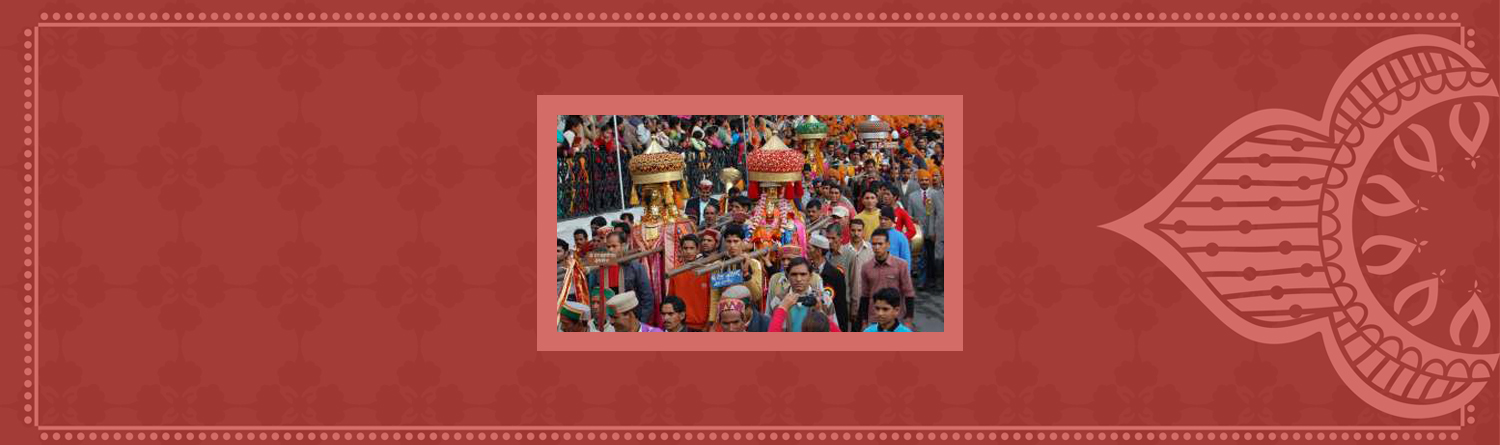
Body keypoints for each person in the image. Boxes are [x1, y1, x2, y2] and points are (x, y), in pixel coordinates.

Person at [586, 231, 656, 322]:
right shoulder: (599, 267)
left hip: (631, 318)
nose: (610, 250)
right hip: (607, 320)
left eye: (614, 246)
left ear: (623, 246)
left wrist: (641, 321)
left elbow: (647, 297)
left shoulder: (635, 267)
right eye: (608, 247)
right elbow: (593, 293)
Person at [860, 228, 917, 330]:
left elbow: (909, 293)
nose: (877, 247)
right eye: (874, 244)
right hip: (874, 319)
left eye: (880, 244)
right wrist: (864, 321)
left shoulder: (901, 265)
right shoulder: (866, 267)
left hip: (896, 319)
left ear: (888, 245)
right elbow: (864, 296)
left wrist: (909, 319)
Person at [768, 258, 842, 332]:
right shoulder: (778, 300)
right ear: (788, 276)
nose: (798, 279)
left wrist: (822, 315)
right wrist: (782, 309)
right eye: (794, 274)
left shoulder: (824, 300)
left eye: (803, 274)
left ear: (810, 276)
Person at [905, 170, 943, 291]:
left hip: (934, 231)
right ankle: (922, 282)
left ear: (930, 180)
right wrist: (914, 220)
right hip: (919, 232)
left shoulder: (936, 194)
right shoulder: (912, 196)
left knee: (934, 257)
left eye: (926, 180)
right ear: (918, 181)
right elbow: (909, 215)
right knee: (921, 257)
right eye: (922, 180)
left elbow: (937, 213)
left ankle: (933, 280)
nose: (924, 182)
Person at [669, 234, 713, 331]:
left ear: (697, 250)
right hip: (680, 325)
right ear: (681, 250)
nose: (688, 251)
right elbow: (671, 299)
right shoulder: (675, 272)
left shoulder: (706, 271)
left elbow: (712, 299)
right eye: (685, 248)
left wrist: (709, 323)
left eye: (692, 248)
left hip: (702, 325)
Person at [808, 233, 850, 331]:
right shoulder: (806, 272)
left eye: (810, 248)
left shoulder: (836, 275)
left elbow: (840, 307)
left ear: (818, 251)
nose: (807, 251)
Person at [765, 245, 823, 310]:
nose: (786, 263)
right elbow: (769, 308)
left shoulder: (815, 278)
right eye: (783, 259)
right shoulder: (775, 279)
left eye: (789, 259)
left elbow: (822, 303)